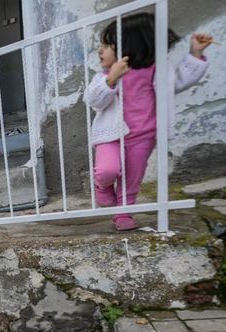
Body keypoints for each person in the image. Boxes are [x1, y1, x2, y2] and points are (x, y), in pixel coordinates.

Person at [86, 13, 212, 231]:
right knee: (107, 170)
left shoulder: (157, 69)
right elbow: (94, 101)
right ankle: (102, 186)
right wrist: (111, 79)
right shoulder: (104, 75)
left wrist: (195, 54)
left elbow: (180, 80)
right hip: (111, 134)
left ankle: (123, 213)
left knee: (132, 178)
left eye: (107, 45)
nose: (100, 50)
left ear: (129, 45)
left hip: (144, 135)